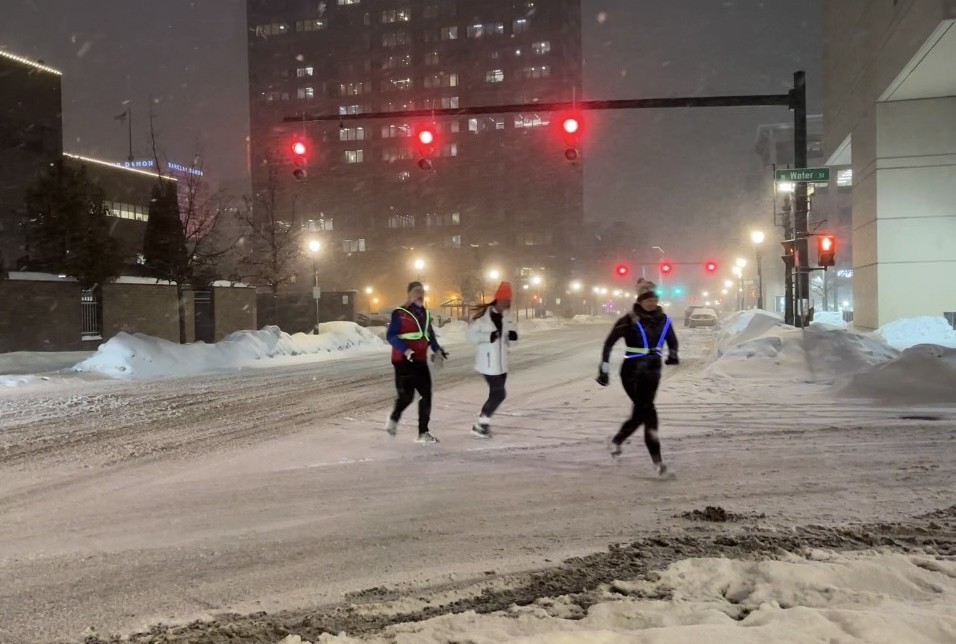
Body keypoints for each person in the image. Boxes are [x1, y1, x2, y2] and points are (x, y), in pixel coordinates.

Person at [596, 279, 679, 476]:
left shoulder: (664, 320)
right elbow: (609, 344)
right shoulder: (629, 320)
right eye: (647, 299)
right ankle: (658, 464)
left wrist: (673, 354)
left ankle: (616, 442)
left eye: (654, 299)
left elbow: (672, 341)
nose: (651, 302)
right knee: (649, 412)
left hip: (653, 373)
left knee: (640, 413)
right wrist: (604, 370)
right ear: (640, 301)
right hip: (632, 372)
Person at [385, 281, 448, 444]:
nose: (420, 294)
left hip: (420, 359)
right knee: (407, 396)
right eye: (416, 291)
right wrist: (406, 350)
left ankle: (423, 432)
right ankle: (394, 418)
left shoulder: (425, 314)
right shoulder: (400, 313)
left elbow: (429, 336)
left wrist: (438, 350)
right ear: (409, 294)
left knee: (426, 395)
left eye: (422, 291)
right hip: (403, 360)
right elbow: (391, 336)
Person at [466, 281, 518, 438]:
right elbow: (470, 336)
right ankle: (481, 424)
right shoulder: (482, 317)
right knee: (499, 394)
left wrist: (513, 337)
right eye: (504, 301)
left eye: (508, 302)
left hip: (502, 364)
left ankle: (482, 423)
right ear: (497, 299)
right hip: (487, 363)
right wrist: (488, 336)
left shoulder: (508, 317)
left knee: (495, 394)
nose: (506, 305)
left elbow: (512, 340)